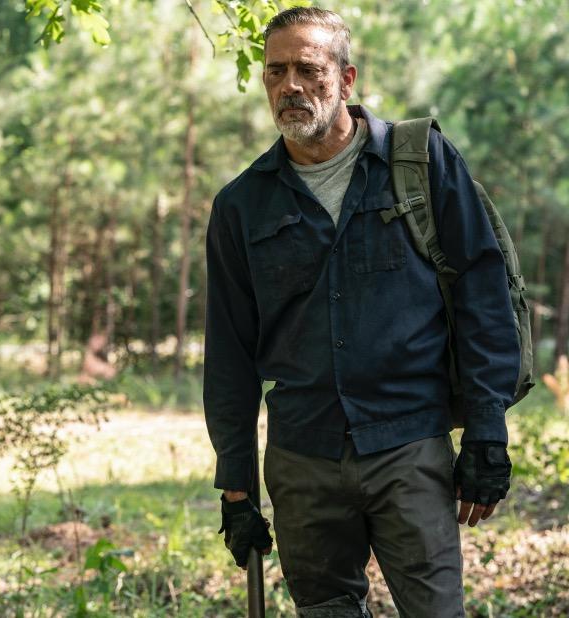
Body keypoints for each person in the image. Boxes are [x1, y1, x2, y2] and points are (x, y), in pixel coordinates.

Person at [202, 7, 519, 617]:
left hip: (409, 445)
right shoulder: (241, 205)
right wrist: (235, 484)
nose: (290, 86)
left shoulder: (421, 162)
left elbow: (483, 295)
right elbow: (230, 353)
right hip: (302, 457)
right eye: (275, 72)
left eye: (308, 69)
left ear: (346, 79)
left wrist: (487, 429)